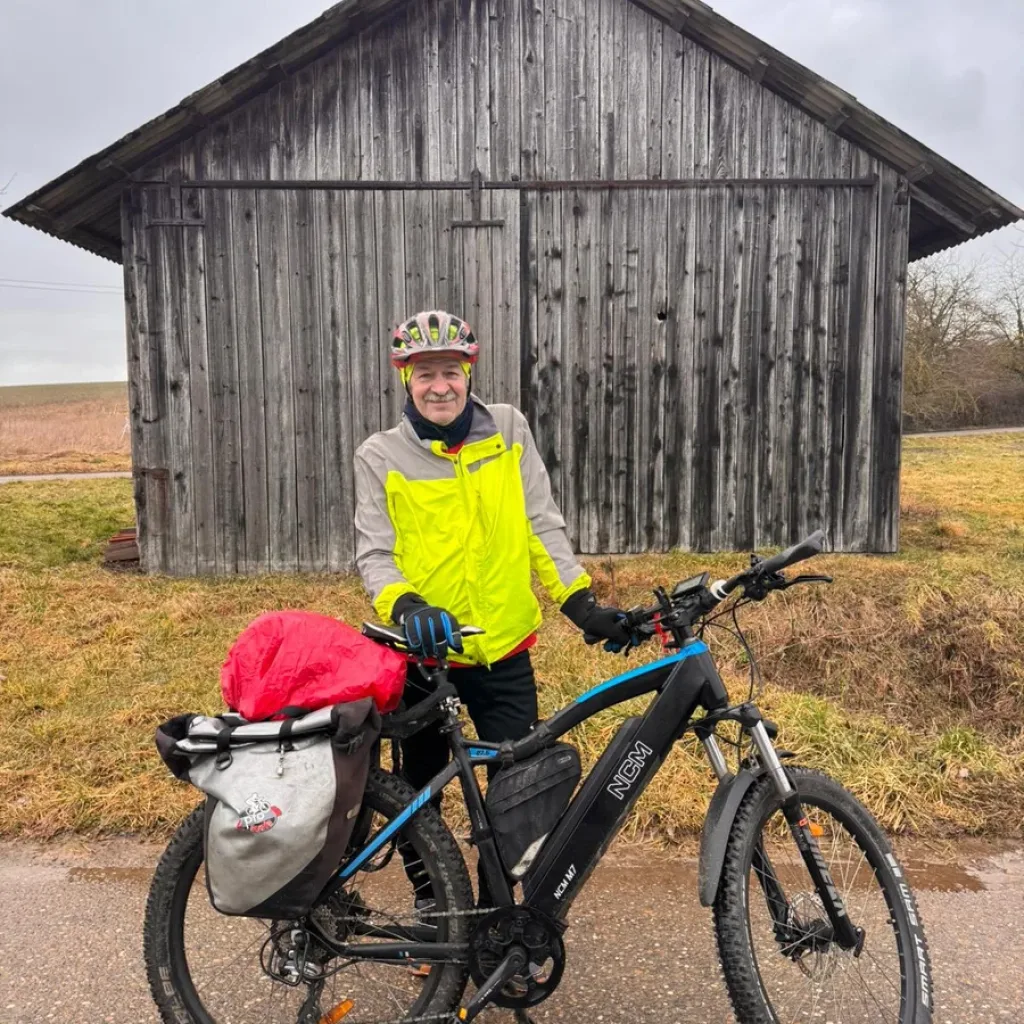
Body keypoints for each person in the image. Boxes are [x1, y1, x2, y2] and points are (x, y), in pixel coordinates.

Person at [353, 310, 631, 932]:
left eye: (450, 371)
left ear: (468, 372)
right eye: (425, 374)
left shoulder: (507, 429)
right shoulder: (379, 454)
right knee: (419, 792)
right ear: (406, 379)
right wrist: (406, 606)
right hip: (424, 655)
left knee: (517, 794)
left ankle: (497, 921)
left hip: (503, 650)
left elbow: (540, 522)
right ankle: (434, 910)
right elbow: (375, 552)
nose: (440, 386)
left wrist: (579, 601)